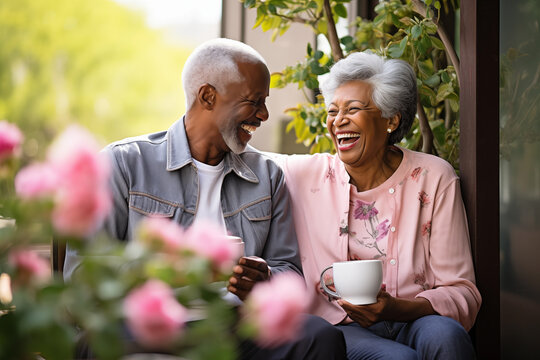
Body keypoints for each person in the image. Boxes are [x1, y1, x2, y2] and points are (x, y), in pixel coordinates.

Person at [63, 38, 346, 359]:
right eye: (254, 101)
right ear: (208, 96)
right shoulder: (124, 163)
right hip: (144, 325)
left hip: (233, 325)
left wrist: (264, 278)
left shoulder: (267, 175)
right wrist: (169, 270)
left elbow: (289, 272)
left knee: (318, 336)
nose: (264, 114)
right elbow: (83, 273)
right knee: (101, 343)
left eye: (265, 102)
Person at [273, 51, 482, 359]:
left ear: (391, 119)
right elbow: (241, 156)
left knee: (447, 339)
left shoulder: (433, 177)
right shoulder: (305, 175)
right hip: (340, 325)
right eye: (333, 111)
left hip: (414, 317)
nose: (338, 120)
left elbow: (461, 290)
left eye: (353, 109)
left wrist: (399, 309)